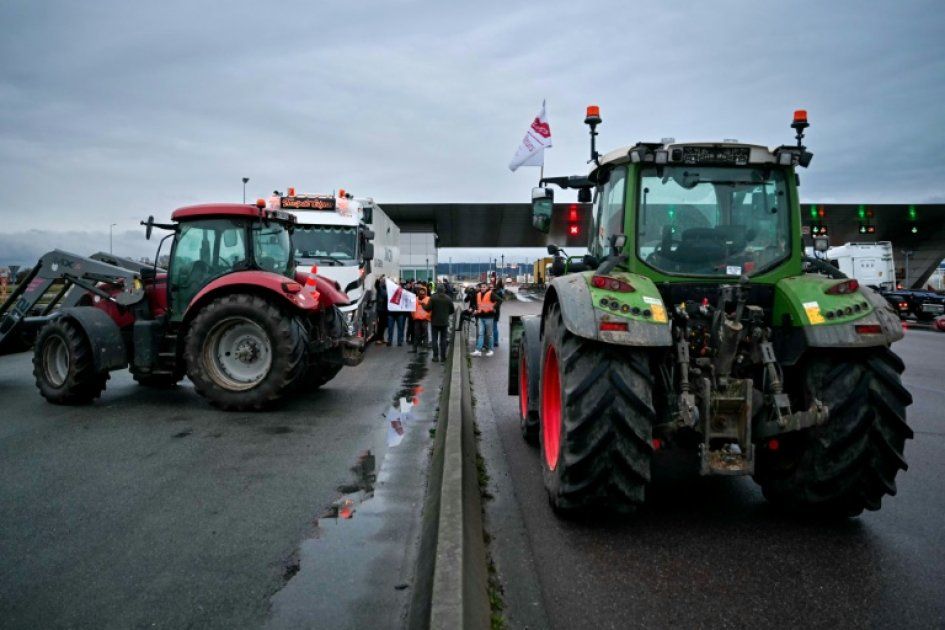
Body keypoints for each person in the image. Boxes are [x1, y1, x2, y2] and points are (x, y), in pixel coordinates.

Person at [425, 285, 455, 362]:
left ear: (437, 290)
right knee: (443, 339)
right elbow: (452, 310)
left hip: (434, 322)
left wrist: (423, 305)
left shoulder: (433, 297)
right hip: (444, 322)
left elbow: (428, 309)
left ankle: (435, 357)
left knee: (434, 339)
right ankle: (443, 357)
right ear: (444, 290)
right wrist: (446, 313)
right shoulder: (448, 298)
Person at [471, 283, 497, 357]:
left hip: (489, 317)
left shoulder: (491, 294)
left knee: (489, 335)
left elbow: (499, 300)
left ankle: (490, 350)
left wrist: (492, 307)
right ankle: (478, 350)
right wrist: (476, 310)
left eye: (484, 287)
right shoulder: (478, 294)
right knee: (480, 334)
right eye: (481, 287)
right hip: (480, 317)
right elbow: (478, 305)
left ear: (487, 287)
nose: (482, 288)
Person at [410, 285, 431, 353]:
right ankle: (415, 348)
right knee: (416, 334)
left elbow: (430, 309)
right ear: (418, 291)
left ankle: (424, 348)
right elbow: (412, 309)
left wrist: (428, 317)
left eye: (423, 291)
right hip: (417, 319)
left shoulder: (428, 299)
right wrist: (414, 317)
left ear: (425, 292)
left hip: (425, 319)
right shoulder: (415, 299)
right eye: (420, 291)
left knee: (425, 334)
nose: (421, 292)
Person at [492, 278, 506, 347]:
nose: (505, 283)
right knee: (494, 327)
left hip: (493, 310)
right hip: (497, 310)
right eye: (504, 282)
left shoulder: (496, 290)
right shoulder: (501, 291)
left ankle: (494, 341)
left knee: (493, 327)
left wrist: (493, 307)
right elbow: (501, 300)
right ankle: (495, 341)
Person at [375, 275, 388, 345]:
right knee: (380, 325)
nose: (384, 282)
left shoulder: (387, 289)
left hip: (385, 309)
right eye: (383, 281)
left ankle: (382, 338)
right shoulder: (379, 288)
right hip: (381, 309)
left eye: (384, 281)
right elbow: (376, 284)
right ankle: (378, 339)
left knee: (384, 325)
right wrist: (378, 278)